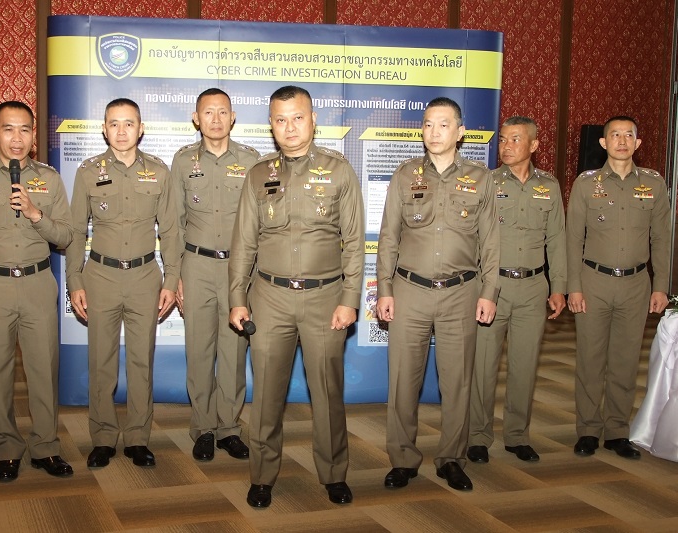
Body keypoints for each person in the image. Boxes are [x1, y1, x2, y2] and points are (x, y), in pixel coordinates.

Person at [229, 85, 364, 508]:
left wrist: (350, 298)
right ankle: (262, 476)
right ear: (271, 125)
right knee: (267, 396)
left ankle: (334, 473)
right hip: (270, 298)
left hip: (325, 298)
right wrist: (237, 298)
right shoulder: (258, 174)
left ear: (313, 119)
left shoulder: (339, 171)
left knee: (327, 394)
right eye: (280, 120)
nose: (289, 127)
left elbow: (354, 242)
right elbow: (243, 243)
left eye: (297, 117)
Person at [376, 97, 499, 492]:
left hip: (461, 293)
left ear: (460, 132)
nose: (434, 132)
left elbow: (491, 242)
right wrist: (384, 288)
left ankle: (451, 459)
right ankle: (402, 459)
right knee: (402, 382)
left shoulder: (481, 178)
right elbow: (388, 237)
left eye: (443, 125)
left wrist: (489, 291)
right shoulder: (404, 174)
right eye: (428, 124)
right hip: (410, 291)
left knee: (458, 382)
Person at [0, 100, 74, 482]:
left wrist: (36, 214)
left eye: (24, 129)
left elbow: (66, 236)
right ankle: (6, 448)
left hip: (37, 285)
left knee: (44, 370)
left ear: (33, 135)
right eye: (8, 129)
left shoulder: (49, 178)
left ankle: (45, 446)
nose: (17, 138)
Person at [66, 98, 179, 469]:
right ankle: (102, 437)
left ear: (141, 128)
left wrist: (171, 279)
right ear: (103, 129)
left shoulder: (159, 172)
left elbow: (171, 231)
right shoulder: (87, 172)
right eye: (113, 123)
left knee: (141, 361)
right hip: (100, 277)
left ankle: (137, 439)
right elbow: (75, 232)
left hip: (146, 277)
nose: (121, 131)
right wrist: (74, 279)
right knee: (101, 361)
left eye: (129, 123)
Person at [567, 115, 670, 459]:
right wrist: (573, 287)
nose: (622, 141)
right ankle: (587, 430)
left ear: (638, 143)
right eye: (615, 135)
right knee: (590, 360)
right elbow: (573, 238)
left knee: (625, 362)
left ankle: (616, 432)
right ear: (603, 142)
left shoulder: (654, 183)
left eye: (629, 135)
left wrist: (661, 286)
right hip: (593, 282)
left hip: (637, 284)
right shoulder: (586, 184)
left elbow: (661, 239)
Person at [467, 116, 567, 465]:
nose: (506, 146)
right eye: (503, 140)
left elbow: (557, 239)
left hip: (534, 287)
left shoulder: (549, 186)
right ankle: (477, 436)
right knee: (483, 366)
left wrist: (559, 287)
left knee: (525, 365)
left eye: (515, 140)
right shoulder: (487, 182)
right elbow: (473, 238)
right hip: (493, 286)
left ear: (534, 145)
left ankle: (517, 436)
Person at [171, 88, 259, 462]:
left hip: (238, 270)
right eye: (208, 112)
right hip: (197, 266)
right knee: (199, 350)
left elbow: (259, 223)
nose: (216, 119)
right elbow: (174, 224)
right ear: (196, 118)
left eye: (223, 112)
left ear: (233, 117)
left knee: (235, 352)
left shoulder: (251, 160)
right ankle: (204, 428)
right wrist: (174, 274)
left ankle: (229, 429)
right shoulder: (182, 161)